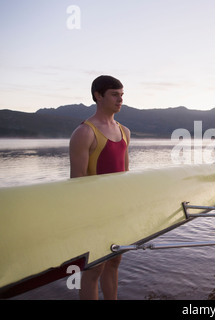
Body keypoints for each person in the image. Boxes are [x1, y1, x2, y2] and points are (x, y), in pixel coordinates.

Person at [69, 75, 131, 300]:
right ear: (98, 96)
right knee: (94, 268)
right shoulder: (85, 132)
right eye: (115, 94)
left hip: (117, 209)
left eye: (122, 95)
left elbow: (125, 176)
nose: (120, 100)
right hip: (93, 212)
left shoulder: (125, 131)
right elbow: (77, 183)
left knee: (114, 261)